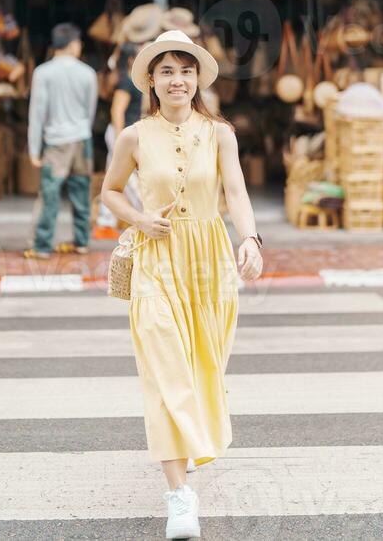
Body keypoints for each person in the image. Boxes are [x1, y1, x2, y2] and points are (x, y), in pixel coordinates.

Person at [101, 29, 263, 540]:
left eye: (186, 70)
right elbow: (109, 192)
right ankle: (179, 498)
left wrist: (251, 239)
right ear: (151, 78)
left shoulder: (220, 134)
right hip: (156, 260)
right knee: (164, 369)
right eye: (167, 71)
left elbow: (234, 189)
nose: (178, 80)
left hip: (209, 260)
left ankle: (187, 440)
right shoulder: (134, 136)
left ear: (198, 79)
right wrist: (140, 220)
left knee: (201, 365)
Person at [24, 22, 98, 259]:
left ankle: (43, 245)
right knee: (81, 190)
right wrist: (82, 128)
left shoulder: (43, 72)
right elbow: (90, 110)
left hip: (55, 143)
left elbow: (37, 114)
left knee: (50, 194)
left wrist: (34, 149)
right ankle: (82, 241)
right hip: (81, 140)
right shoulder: (88, 73)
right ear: (73, 44)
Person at [96, 42, 143, 231]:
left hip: (122, 133)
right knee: (129, 176)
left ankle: (105, 221)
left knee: (112, 175)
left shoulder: (127, 79)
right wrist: (119, 138)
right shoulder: (127, 81)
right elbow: (117, 111)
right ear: (131, 59)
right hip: (121, 133)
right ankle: (147, 211)